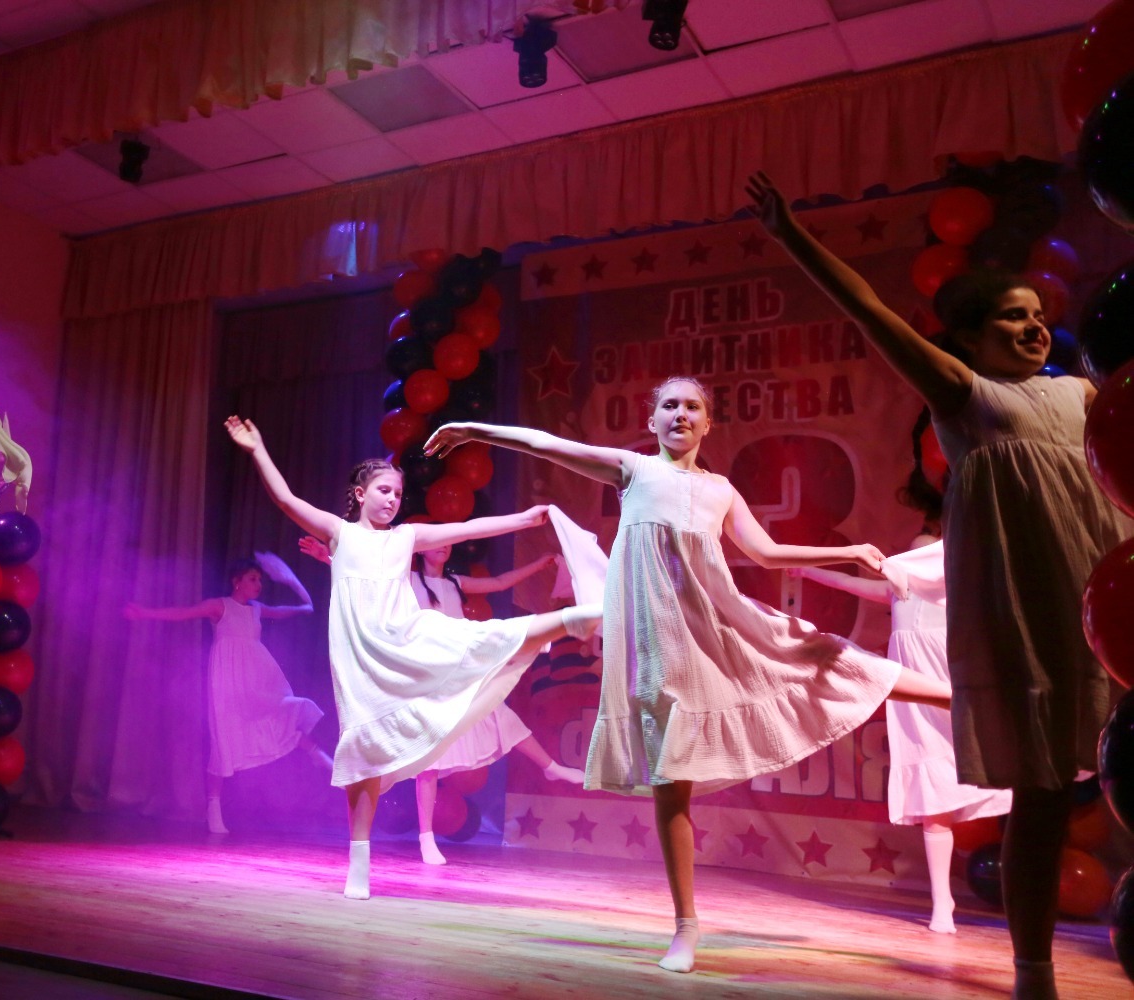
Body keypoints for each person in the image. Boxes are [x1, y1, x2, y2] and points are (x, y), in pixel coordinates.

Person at [747, 170, 1128, 999]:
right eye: (1013, 317)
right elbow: (868, 312)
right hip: (1032, 612)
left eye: (1038, 315)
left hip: (1107, 605)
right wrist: (791, 235)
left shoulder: (1081, 393)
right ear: (971, 338)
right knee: (1041, 798)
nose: (1034, 326)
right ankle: (1033, 972)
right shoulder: (966, 397)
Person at [424, 377, 950, 973]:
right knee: (671, 783)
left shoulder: (721, 490)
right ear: (652, 422)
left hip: (717, 628)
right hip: (658, 648)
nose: (680, 414)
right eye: (669, 405)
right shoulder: (633, 470)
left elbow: (767, 553)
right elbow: (547, 445)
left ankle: (956, 699)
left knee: (818, 655)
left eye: (692, 406)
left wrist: (847, 552)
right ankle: (686, 927)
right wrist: (475, 429)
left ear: (707, 423)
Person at [224, 415, 600, 899]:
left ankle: (569, 620)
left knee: (479, 640)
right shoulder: (339, 534)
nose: (392, 500)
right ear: (360, 493)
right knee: (363, 754)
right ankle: (359, 863)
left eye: (398, 494)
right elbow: (285, 500)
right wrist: (257, 449)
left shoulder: (405, 538)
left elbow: (466, 528)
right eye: (383, 491)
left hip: (409, 636)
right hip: (362, 659)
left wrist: (524, 519)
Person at [789, 415, 1011, 933]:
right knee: (931, 778)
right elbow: (882, 589)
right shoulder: (923, 555)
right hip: (911, 666)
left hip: (951, 661)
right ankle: (942, 905)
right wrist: (816, 572)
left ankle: (1013, 891)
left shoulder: (971, 554)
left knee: (989, 760)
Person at [300, 537, 584, 863]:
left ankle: (551, 767)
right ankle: (426, 837)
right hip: (429, 674)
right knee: (429, 762)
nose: (444, 547)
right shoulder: (407, 580)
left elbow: (500, 582)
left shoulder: (455, 583)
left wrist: (539, 563)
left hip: (459, 668)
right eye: (438, 543)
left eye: (448, 544)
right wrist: (329, 557)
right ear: (421, 549)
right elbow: (367, 580)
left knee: (499, 714)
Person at [125, 552, 332, 835]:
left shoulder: (256, 609)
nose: (258, 584)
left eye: (260, 580)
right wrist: (146, 613)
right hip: (227, 681)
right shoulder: (219, 606)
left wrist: (296, 590)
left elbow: (293, 610)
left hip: (258, 677)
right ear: (237, 581)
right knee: (223, 739)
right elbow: (182, 613)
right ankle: (213, 809)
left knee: (281, 711)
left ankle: (314, 752)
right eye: (252, 579)